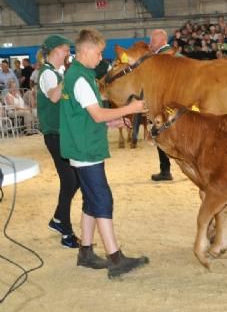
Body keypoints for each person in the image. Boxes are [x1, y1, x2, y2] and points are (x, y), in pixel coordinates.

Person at [59, 28, 149, 278]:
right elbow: (97, 114)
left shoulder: (76, 75)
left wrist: (115, 122)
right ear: (86, 51)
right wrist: (129, 108)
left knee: (91, 200)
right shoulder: (80, 79)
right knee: (102, 200)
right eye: (98, 53)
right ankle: (115, 258)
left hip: (83, 145)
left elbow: (86, 116)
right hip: (86, 149)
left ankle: (85, 252)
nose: (101, 58)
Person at [37, 34, 80, 248]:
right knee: (71, 180)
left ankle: (57, 220)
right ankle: (65, 230)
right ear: (55, 51)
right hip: (54, 135)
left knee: (75, 180)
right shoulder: (47, 74)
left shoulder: (56, 72)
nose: (68, 53)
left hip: (62, 134)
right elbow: (54, 97)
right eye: (65, 49)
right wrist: (68, 76)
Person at [149, 29, 175, 181]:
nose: (150, 43)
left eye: (152, 40)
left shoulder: (162, 56)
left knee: (159, 133)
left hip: (166, 104)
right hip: (173, 103)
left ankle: (165, 171)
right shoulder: (172, 53)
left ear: (162, 41)